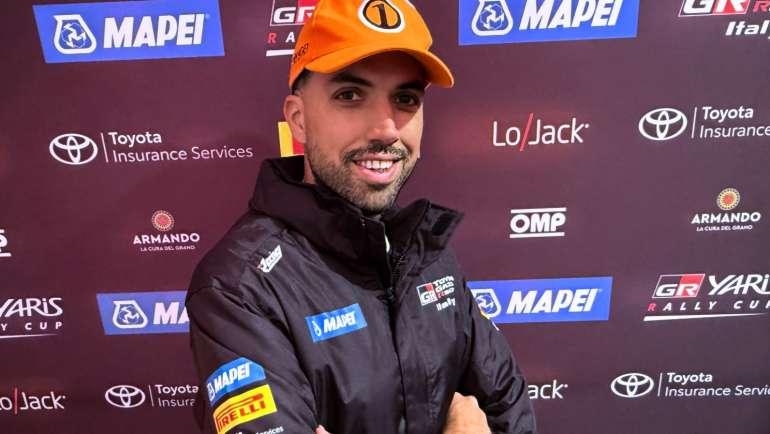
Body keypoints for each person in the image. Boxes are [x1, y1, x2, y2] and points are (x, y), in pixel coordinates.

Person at [185, 1, 536, 433]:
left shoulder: (424, 251)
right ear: (298, 119)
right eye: (350, 96)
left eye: (405, 98)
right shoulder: (239, 287)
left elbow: (509, 408)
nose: (386, 129)